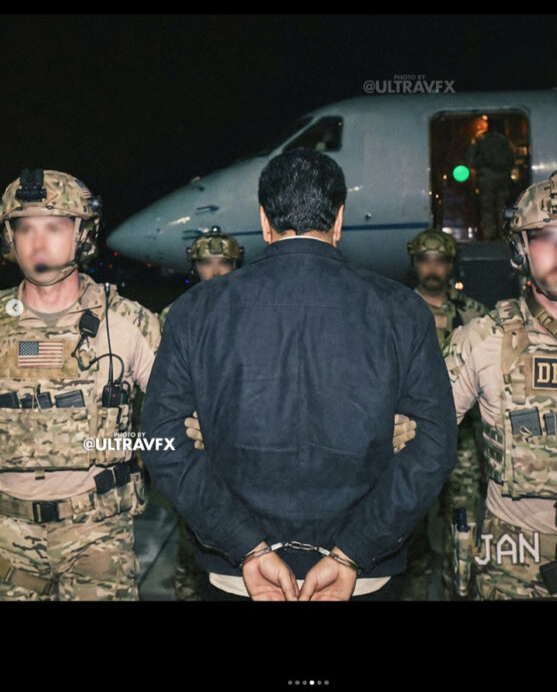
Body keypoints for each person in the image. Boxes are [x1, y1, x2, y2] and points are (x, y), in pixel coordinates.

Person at [141, 148, 457, 601]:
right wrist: (353, 551)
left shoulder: (197, 310)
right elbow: (434, 446)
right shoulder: (402, 310)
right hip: (359, 577)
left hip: (243, 576)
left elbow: (162, 441)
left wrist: (244, 545)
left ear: (264, 220)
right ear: (339, 218)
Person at [445, 170, 557, 599]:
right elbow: (416, 434)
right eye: (545, 238)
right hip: (510, 572)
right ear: (521, 250)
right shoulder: (482, 340)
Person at [0, 169, 160, 600]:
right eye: (25, 227)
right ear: (10, 237)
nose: (37, 242)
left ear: (82, 234)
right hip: (7, 539)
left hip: (97, 536)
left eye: (53, 227)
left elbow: (183, 417)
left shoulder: (128, 322)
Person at [160, 226, 244, 601]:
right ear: (195, 267)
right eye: (206, 263)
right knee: (190, 540)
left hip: (242, 450)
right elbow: (159, 389)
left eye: (224, 262)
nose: (215, 271)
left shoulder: (253, 314)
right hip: (192, 449)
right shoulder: (175, 316)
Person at [405, 229, 487, 598]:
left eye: (440, 260)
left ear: (451, 264)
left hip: (461, 438)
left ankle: (458, 587)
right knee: (409, 523)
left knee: (463, 524)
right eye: (425, 259)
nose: (432, 267)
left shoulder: (473, 315)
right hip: (410, 437)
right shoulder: (400, 310)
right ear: (415, 263)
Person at [465, 119, 515, 240]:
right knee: (502, 206)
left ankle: (489, 234)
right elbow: (511, 159)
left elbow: (470, 160)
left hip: (486, 176)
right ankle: (504, 233)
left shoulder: (479, 139)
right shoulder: (504, 140)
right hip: (503, 176)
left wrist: (481, 164)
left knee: (487, 207)